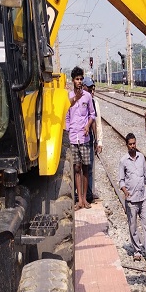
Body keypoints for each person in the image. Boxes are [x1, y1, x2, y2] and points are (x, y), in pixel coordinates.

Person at [119, 133, 146, 262]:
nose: (132, 146)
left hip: (143, 197)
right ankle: (136, 251)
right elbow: (121, 180)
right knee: (133, 226)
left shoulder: (141, 158)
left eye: (134, 143)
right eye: (130, 144)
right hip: (131, 200)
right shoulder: (123, 161)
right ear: (127, 145)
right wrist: (125, 191)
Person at [66, 67, 96, 210]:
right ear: (72, 80)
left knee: (85, 167)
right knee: (76, 167)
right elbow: (66, 115)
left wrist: (88, 126)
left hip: (84, 137)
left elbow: (92, 114)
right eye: (77, 79)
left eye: (80, 79)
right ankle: (79, 200)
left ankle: (84, 199)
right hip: (73, 137)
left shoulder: (87, 97)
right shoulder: (69, 97)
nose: (79, 81)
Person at [83, 77, 102, 203]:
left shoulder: (94, 103)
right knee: (78, 168)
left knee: (89, 168)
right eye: (90, 89)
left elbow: (97, 123)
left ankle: (89, 194)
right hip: (78, 139)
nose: (92, 92)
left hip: (89, 139)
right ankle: (81, 195)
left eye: (93, 89)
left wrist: (98, 141)